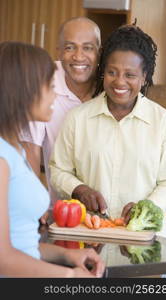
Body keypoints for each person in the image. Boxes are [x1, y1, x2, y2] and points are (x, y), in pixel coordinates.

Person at [49, 24, 166, 239]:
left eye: (130, 74)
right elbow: (58, 169)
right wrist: (79, 189)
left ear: (144, 76)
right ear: (103, 71)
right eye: (112, 72)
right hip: (89, 236)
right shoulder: (78, 118)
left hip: (146, 240)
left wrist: (148, 206)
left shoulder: (163, 122)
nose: (119, 81)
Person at [0, 41, 105, 278]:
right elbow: (3, 259)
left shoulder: (15, 149)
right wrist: (70, 276)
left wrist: (67, 256)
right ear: (23, 91)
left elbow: (22, 245)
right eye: (49, 86)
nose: (55, 94)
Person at [21, 17, 101, 224]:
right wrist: (35, 205)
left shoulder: (111, 83)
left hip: (104, 211)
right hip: (59, 211)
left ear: (99, 51)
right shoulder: (43, 81)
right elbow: (31, 150)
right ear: (58, 51)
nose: (79, 57)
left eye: (88, 48)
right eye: (70, 47)